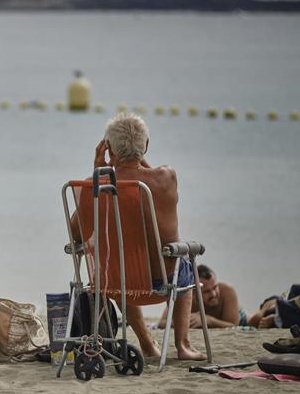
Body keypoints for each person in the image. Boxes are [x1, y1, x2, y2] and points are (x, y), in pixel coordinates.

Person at [70, 112, 205, 361]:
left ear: (108, 148)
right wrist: (138, 156)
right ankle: (183, 345)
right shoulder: (166, 178)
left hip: (116, 285)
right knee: (183, 260)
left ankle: (146, 344)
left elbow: (76, 232)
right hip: (164, 283)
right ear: (146, 147)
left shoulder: (96, 186)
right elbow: (148, 178)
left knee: (122, 260)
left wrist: (99, 172)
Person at [157, 264, 247, 329]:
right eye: (207, 291)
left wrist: (208, 320)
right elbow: (162, 323)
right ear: (193, 293)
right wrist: (184, 321)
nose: (213, 294)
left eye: (215, 287)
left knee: (255, 319)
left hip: (239, 315)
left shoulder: (227, 291)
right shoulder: (185, 296)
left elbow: (234, 326)